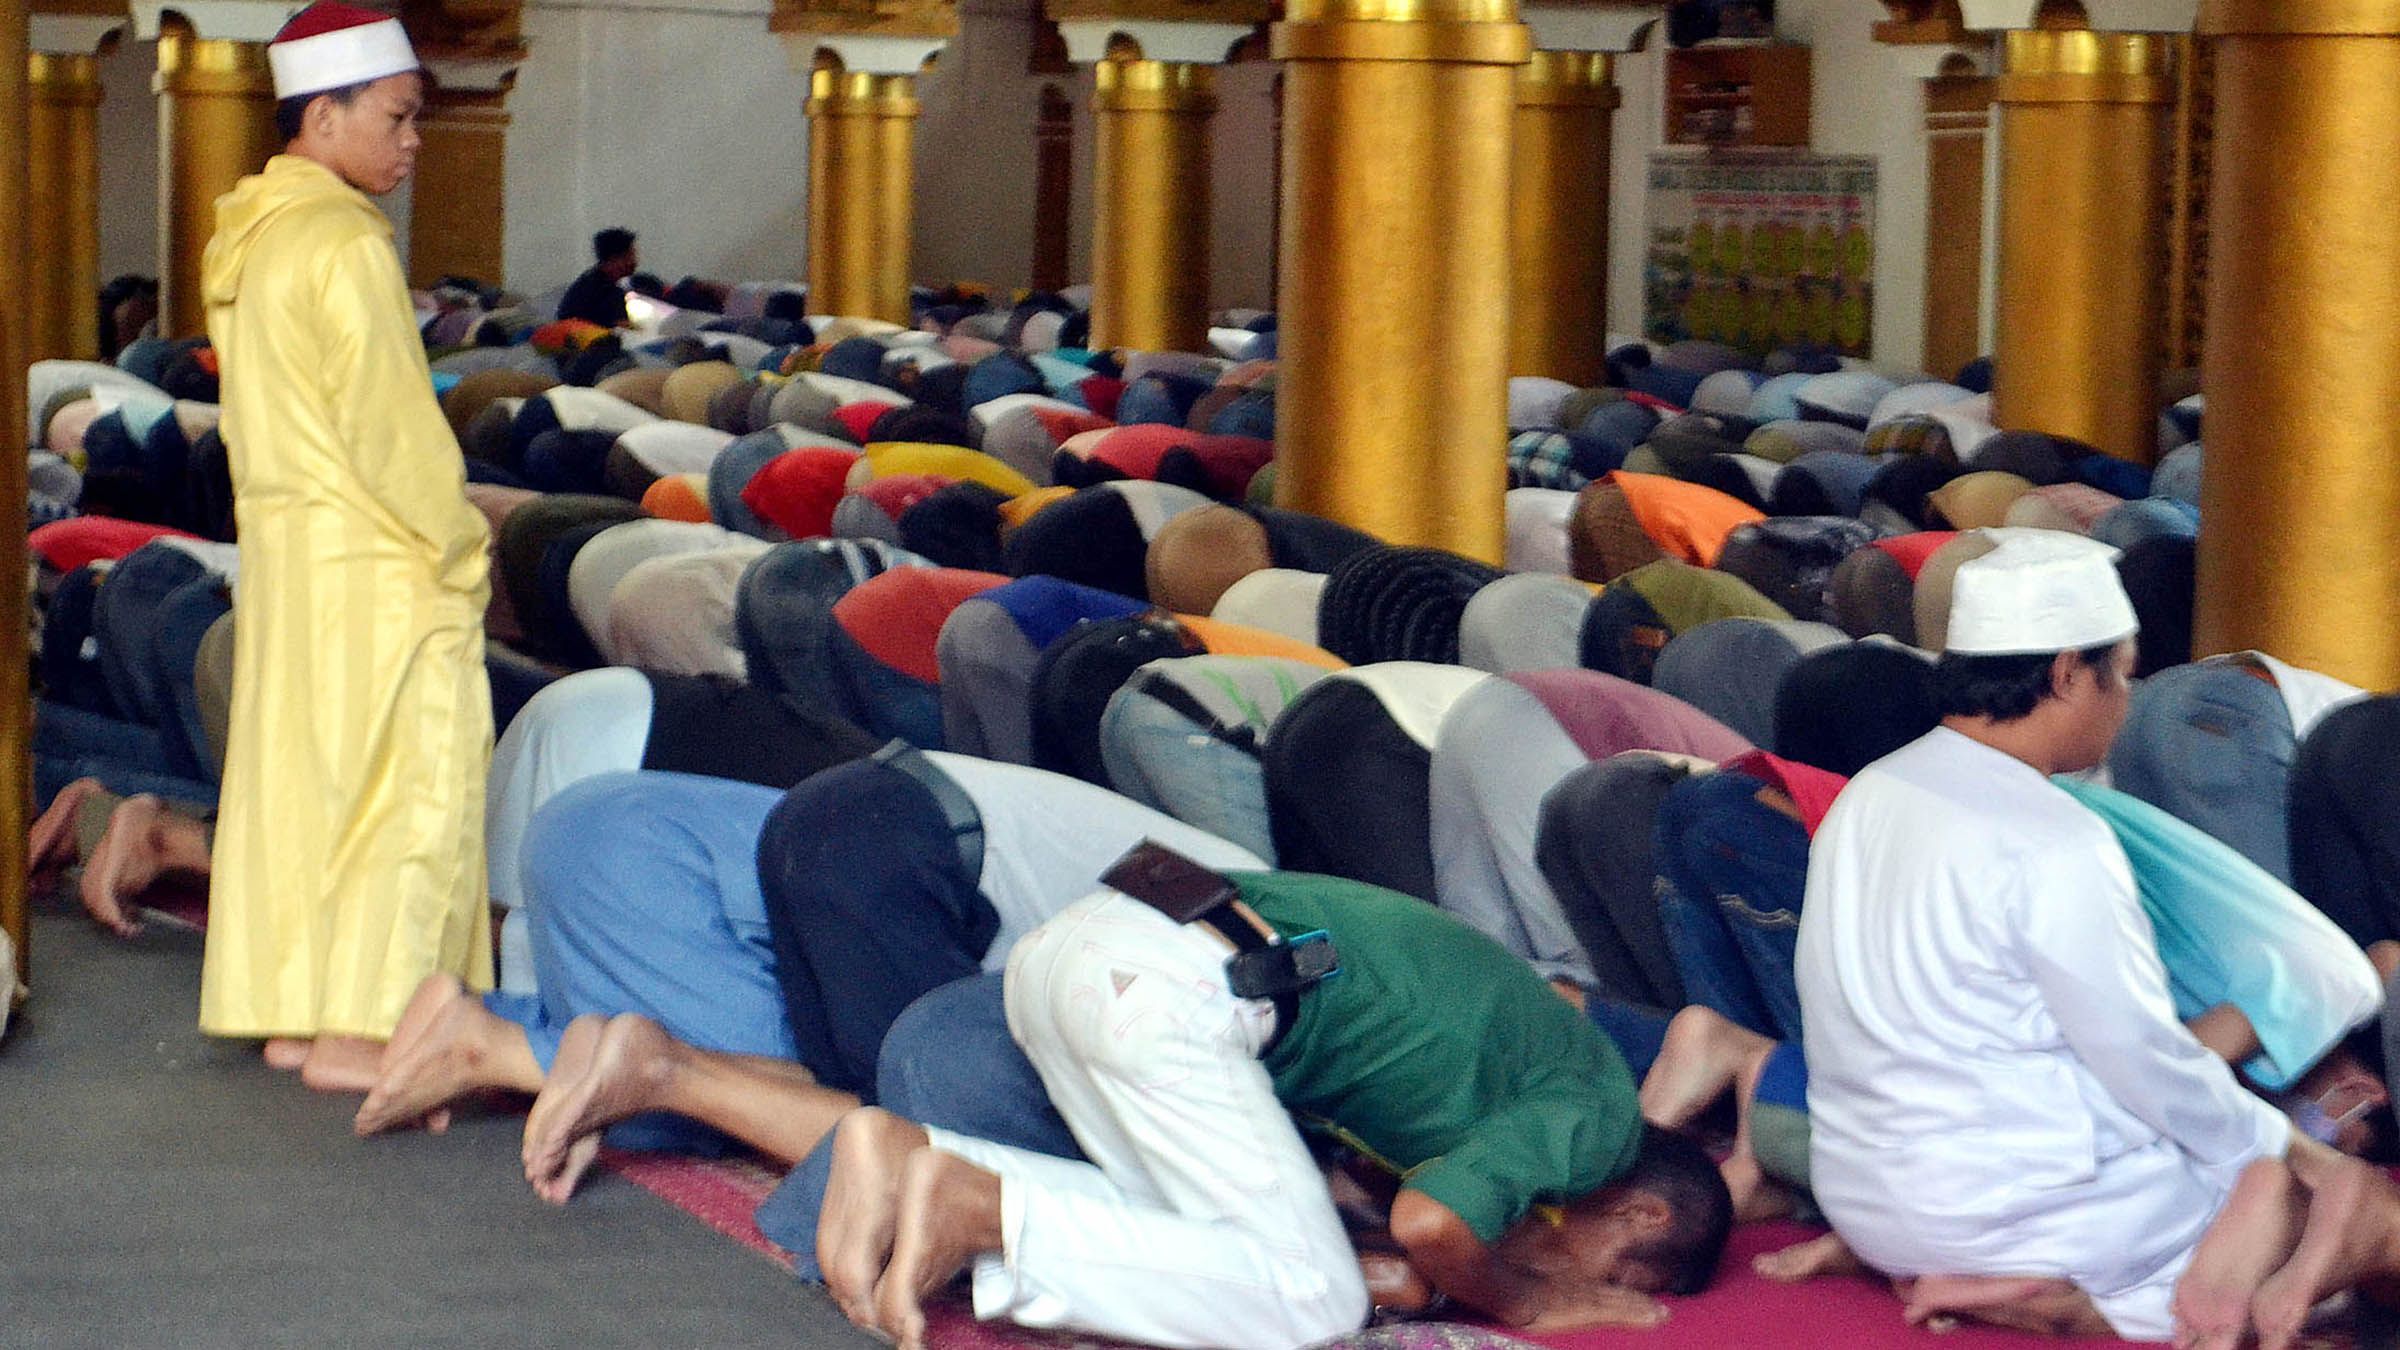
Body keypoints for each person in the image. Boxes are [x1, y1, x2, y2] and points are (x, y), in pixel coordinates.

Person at [1794, 534, 2393, 1347]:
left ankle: (2075, 1288)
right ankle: (2087, 1306)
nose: (2128, 699)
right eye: (2124, 673)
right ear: (2069, 672)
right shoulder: (2054, 836)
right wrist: (2285, 1154)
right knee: (2355, 1227)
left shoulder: (1873, 790)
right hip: (2035, 1212)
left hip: (1865, 1199)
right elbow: (2141, 1059)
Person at [818, 864, 1734, 1350]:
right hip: (1179, 986)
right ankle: (981, 1208)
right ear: (1643, 1210)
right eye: (1617, 1274)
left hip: (1103, 931)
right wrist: (1533, 1302)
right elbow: (1434, 1224)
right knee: (1310, 1302)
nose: (1594, 1286)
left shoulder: (1525, 1072)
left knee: (1187, 1239)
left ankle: (909, 1158)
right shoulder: (1601, 1114)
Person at [198, 2, 495, 1091]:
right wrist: (459, 547)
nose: (413, 140)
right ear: (324, 115)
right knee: (402, 792)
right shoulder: (341, 245)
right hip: (375, 566)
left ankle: (296, 1008)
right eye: (398, 115)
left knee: (303, 786)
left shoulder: (256, 234)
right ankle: (367, 1026)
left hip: (290, 556)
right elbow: (391, 429)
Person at [558, 228, 638, 329]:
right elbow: (621, 326)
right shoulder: (600, 290)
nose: (634, 262)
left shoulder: (594, 282)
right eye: (629, 257)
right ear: (613, 259)